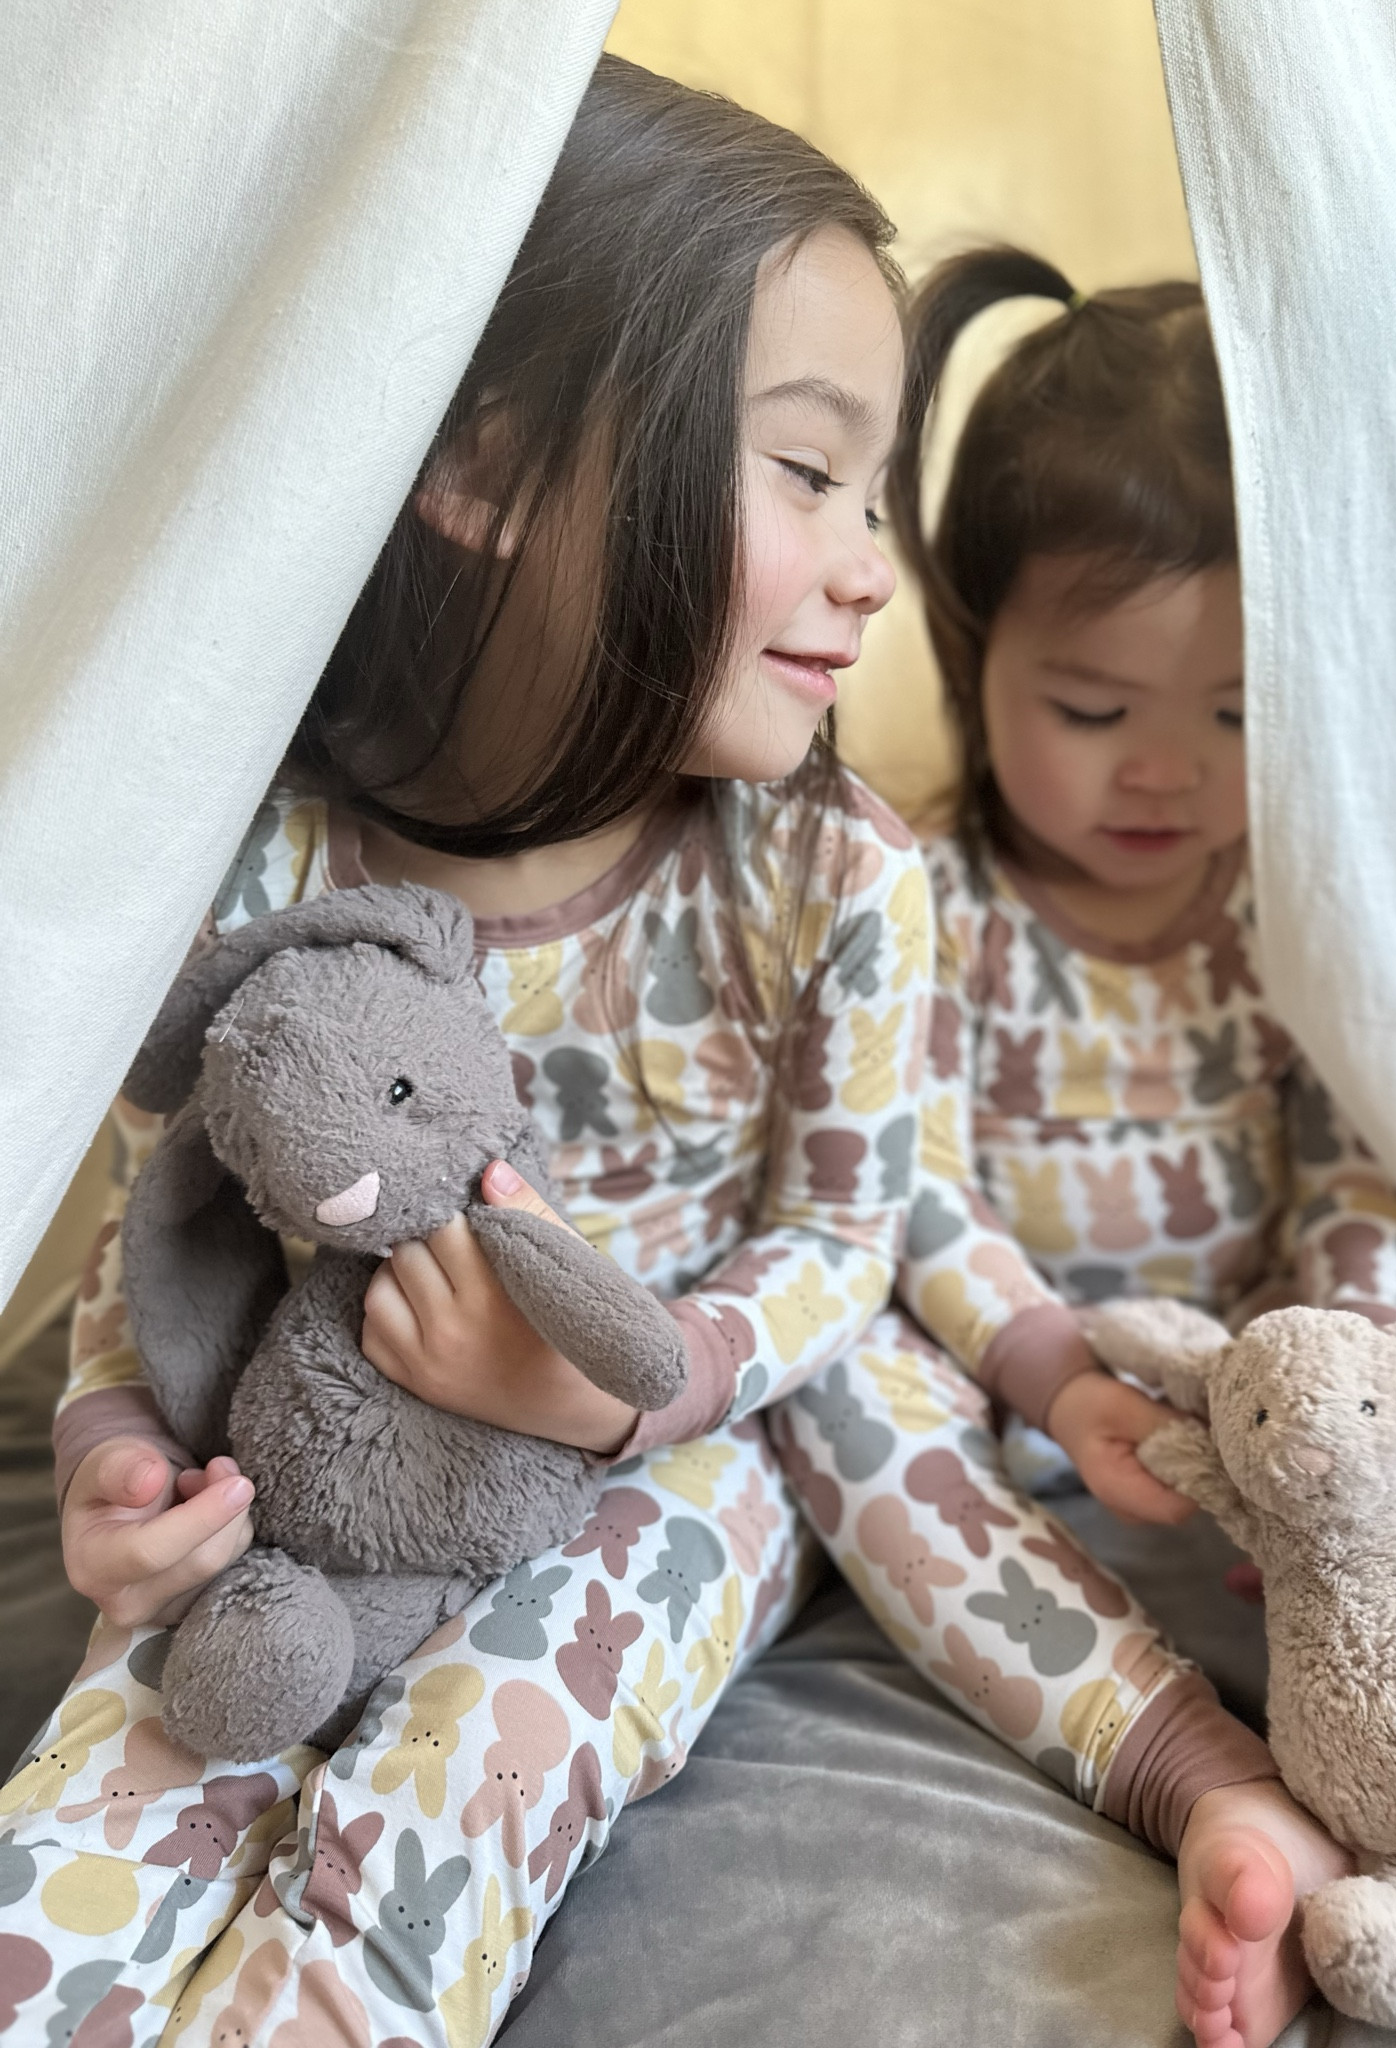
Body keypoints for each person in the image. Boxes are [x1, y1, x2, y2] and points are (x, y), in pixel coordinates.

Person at [0, 56, 920, 2047]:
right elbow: (165, 1228)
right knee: (104, 1804)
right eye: (805, 471)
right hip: (301, 1477)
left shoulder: (833, 872)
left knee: (449, 1798)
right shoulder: (263, 849)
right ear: (488, 469)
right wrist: (112, 1451)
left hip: (664, 1478)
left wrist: (622, 1392)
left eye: (878, 494)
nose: (871, 564)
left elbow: (847, 1244)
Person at [770, 248, 1396, 2048]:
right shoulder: (923, 904)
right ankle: (1193, 1771)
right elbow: (906, 1184)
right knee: (835, 1400)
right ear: (971, 648)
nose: (1165, 774)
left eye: (1238, 716)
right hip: (1029, 1416)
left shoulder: (1293, 916)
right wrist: (1048, 1372)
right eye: (1094, 710)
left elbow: (1359, 1164)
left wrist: (1341, 1377)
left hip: (1292, 1425)